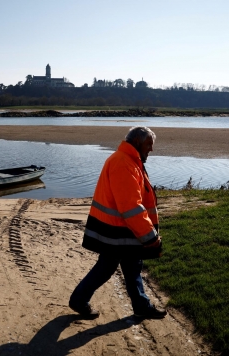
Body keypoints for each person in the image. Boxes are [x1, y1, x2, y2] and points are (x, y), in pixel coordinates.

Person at [69, 126, 167, 320]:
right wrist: (150, 237)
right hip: (118, 230)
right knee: (111, 267)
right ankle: (80, 300)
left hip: (120, 229)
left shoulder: (128, 160)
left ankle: (140, 305)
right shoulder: (124, 163)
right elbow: (131, 207)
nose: (151, 149)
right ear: (137, 142)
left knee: (129, 266)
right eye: (149, 144)